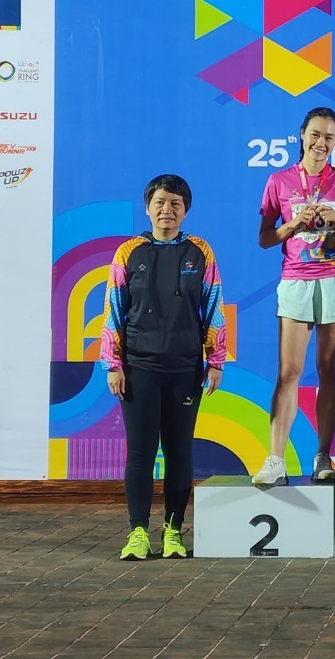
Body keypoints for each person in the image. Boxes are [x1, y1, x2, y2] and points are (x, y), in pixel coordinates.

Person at [100, 174, 227, 559]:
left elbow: (214, 307)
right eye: (159, 202)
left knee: (179, 452)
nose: (166, 210)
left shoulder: (200, 252)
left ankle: (173, 531)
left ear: (185, 210)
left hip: (185, 368)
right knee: (140, 452)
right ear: (147, 208)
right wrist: (113, 364)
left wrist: (215, 361)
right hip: (138, 368)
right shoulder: (128, 253)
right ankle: (138, 532)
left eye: (175, 203)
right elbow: (113, 309)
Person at [252, 107, 335, 486]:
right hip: (296, 281)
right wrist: (291, 225)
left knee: (329, 369)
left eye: (329, 137)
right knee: (289, 372)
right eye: (315, 134)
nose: (321, 143)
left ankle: (322, 455)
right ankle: (275, 459)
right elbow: (265, 238)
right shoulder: (279, 181)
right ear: (302, 135)